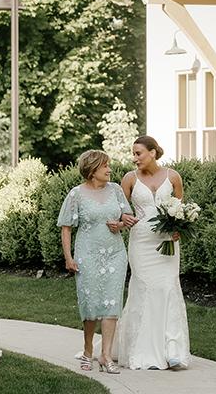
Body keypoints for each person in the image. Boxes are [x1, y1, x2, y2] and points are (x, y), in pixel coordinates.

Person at [116, 136, 191, 370]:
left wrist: (179, 227)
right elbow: (118, 210)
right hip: (140, 243)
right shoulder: (129, 179)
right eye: (133, 153)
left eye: (138, 153)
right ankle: (140, 349)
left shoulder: (173, 177)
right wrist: (122, 219)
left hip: (167, 244)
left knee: (168, 288)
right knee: (144, 288)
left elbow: (180, 209)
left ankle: (173, 351)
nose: (134, 158)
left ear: (152, 153)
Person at [58, 149, 132, 373]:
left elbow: (127, 219)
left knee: (112, 304)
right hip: (87, 254)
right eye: (105, 166)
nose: (110, 169)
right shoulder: (76, 194)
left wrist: (119, 225)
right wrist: (68, 257)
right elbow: (66, 227)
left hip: (115, 254)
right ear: (92, 170)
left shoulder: (116, 190)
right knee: (90, 306)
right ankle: (88, 350)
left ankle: (106, 355)